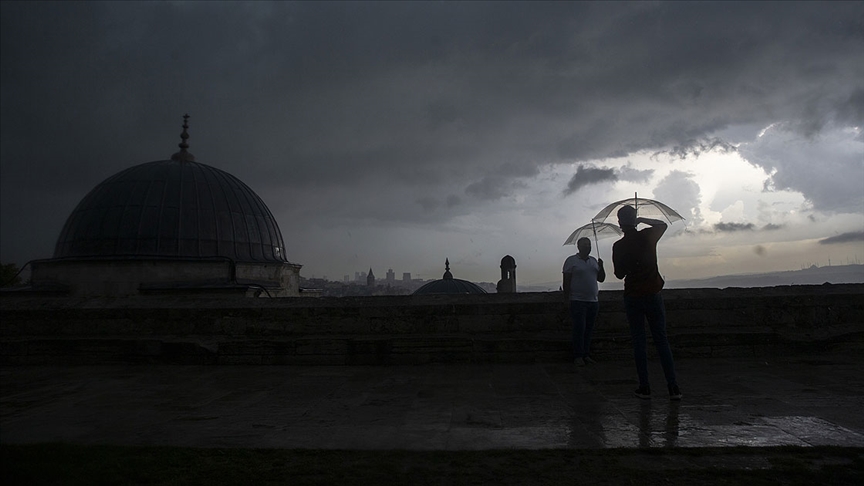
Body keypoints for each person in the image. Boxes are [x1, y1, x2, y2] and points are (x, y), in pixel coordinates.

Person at [612, 205, 682, 400]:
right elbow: (662, 224)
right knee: (661, 340)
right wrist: (642, 220)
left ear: (619, 223)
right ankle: (673, 386)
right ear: (634, 220)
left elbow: (619, 274)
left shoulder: (619, 246)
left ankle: (645, 387)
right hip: (652, 293)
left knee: (639, 342)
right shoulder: (647, 237)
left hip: (633, 296)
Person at [563, 236, 605, 366]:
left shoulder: (593, 261)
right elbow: (566, 281)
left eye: (589, 244)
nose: (588, 247)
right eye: (585, 245)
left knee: (589, 329)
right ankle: (578, 355)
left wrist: (601, 266)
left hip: (593, 301)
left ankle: (586, 354)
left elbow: (601, 279)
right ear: (579, 247)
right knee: (579, 329)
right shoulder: (571, 261)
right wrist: (566, 298)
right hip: (577, 300)